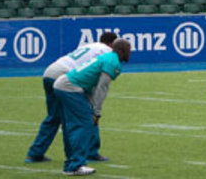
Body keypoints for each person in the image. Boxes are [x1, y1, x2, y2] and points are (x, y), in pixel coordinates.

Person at [26, 31, 117, 165]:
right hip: (66, 77)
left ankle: (35, 153)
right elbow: (93, 77)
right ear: (111, 44)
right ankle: (91, 152)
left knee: (53, 117)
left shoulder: (90, 46)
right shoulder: (108, 52)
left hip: (50, 72)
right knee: (87, 114)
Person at [52, 38, 132, 177]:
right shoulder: (113, 62)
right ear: (121, 51)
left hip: (63, 84)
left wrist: (91, 105)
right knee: (85, 124)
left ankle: (70, 164)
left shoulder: (107, 57)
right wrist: (96, 111)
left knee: (71, 126)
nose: (130, 53)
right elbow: (101, 88)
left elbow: (92, 84)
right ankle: (76, 165)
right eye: (128, 50)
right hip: (70, 87)